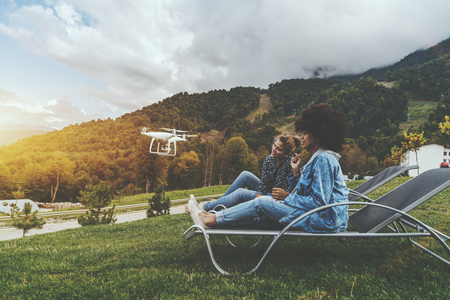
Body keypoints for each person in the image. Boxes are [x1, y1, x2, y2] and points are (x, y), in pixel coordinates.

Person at [189, 104, 349, 233]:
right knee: (261, 217)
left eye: (306, 133)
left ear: (319, 134)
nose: (301, 137)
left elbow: (319, 203)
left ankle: (212, 219)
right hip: (312, 215)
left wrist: (286, 197)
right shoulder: (318, 157)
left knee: (262, 202)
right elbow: (303, 194)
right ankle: (214, 217)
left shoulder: (323, 159)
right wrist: (295, 172)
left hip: (324, 220)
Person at [186, 134, 301, 213]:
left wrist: (261, 197)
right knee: (245, 174)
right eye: (274, 145)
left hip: (277, 198)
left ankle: (203, 208)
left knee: (240, 193)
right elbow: (264, 182)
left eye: (278, 149)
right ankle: (217, 205)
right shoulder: (269, 159)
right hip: (266, 191)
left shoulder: (289, 164)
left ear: (286, 154)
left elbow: (287, 191)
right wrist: (259, 193)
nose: (274, 149)